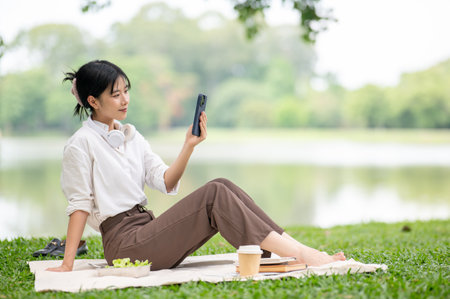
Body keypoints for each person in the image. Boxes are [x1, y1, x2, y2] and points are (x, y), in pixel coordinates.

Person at [47, 60, 345, 272]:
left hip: (146, 229)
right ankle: (306, 256)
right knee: (215, 192)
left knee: (223, 186)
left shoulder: (130, 135)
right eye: (115, 94)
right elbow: (79, 205)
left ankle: (294, 251)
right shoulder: (81, 144)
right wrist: (67, 264)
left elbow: (164, 181)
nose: (125, 99)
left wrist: (189, 145)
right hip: (125, 246)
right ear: (92, 101)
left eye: (126, 90)